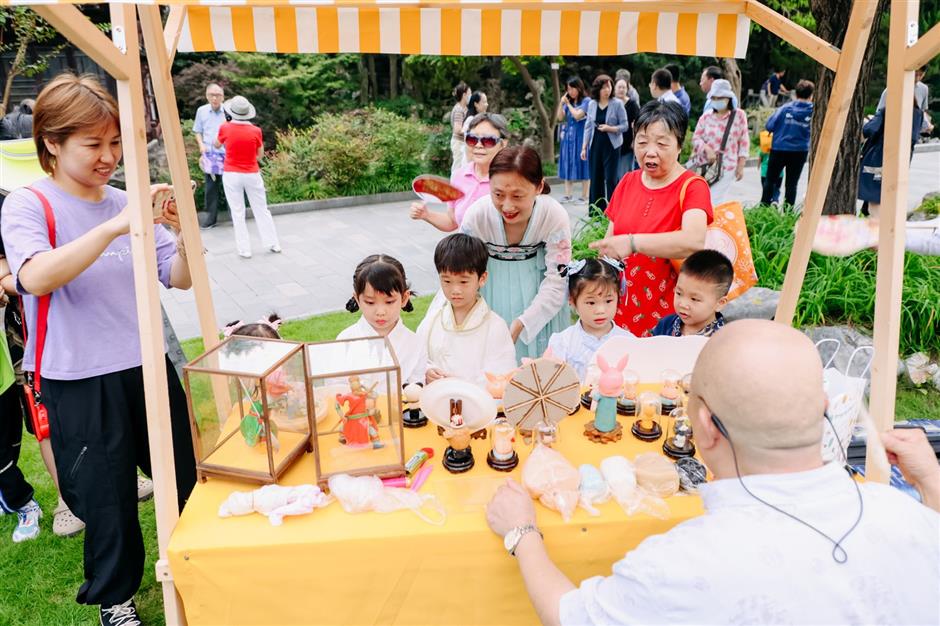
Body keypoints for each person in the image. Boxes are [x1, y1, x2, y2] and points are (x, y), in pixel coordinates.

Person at [485, 319, 940, 626]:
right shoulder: (910, 518)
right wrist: (932, 484)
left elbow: (571, 616)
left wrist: (523, 533)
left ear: (703, 426)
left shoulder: (680, 564)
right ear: (824, 408)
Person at [0, 73, 197, 625]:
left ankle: (199, 561)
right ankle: (116, 599)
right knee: (106, 498)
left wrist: (182, 236)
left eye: (115, 142)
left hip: (146, 365)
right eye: (93, 144)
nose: (109, 156)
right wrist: (115, 228)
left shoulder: (126, 202)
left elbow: (176, 277)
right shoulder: (28, 204)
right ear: (52, 144)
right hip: (77, 376)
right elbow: (35, 276)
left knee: (186, 473)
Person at [590, 101, 712, 336]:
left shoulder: (693, 186)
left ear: (679, 146)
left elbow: (694, 240)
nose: (650, 151)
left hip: (668, 315)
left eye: (662, 143)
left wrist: (633, 243)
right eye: (642, 142)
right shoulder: (628, 182)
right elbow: (610, 242)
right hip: (621, 311)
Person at [460, 146, 572, 360]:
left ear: (539, 187)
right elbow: (460, 271)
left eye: (517, 195)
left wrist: (524, 322)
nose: (507, 205)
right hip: (488, 294)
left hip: (539, 297)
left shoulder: (553, 215)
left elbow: (558, 279)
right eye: (498, 194)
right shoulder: (477, 216)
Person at [416, 234, 516, 388]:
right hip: (437, 405)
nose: (455, 290)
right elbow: (416, 358)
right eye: (447, 281)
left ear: (482, 278)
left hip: (479, 407)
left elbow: (501, 376)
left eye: (463, 281)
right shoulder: (432, 321)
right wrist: (427, 371)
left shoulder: (495, 327)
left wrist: (460, 383)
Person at [410, 113, 509, 232]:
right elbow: (453, 222)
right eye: (472, 139)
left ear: (503, 143)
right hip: (465, 249)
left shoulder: (511, 179)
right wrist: (426, 215)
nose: (478, 145)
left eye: (488, 141)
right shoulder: (459, 176)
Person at [337, 254, 426, 386]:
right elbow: (335, 389)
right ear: (357, 299)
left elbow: (417, 388)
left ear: (404, 297)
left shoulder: (415, 343)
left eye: (389, 302)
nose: (380, 312)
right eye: (370, 302)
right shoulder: (345, 340)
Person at [214, 95, 282, 259]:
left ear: (231, 113)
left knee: (238, 212)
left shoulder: (225, 128)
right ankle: (273, 243)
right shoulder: (256, 130)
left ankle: (245, 249)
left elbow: (216, 145)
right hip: (252, 173)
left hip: (231, 173)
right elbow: (259, 156)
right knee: (261, 209)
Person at [544, 258, 632, 381]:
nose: (600, 310)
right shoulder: (563, 342)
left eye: (608, 301)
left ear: (619, 295)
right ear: (572, 300)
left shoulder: (628, 341)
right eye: (591, 302)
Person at [858, 97, 925, 218]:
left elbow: (869, 129)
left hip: (879, 159)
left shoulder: (887, 111)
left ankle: (878, 229)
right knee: (890, 194)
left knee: (875, 197)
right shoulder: (918, 114)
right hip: (902, 160)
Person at [688, 79, 749, 205]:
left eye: (720, 97)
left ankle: (711, 223)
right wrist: (706, 148)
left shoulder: (739, 115)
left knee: (715, 200)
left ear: (728, 98)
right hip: (704, 165)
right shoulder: (706, 116)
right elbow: (696, 138)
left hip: (727, 166)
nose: (717, 100)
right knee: (700, 198)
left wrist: (741, 166)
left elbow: (744, 142)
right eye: (714, 98)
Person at [650, 249, 731, 337]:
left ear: (719, 303)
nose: (683, 304)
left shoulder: (722, 339)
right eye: (679, 293)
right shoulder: (666, 325)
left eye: (694, 299)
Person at [761, 80, 814, 207]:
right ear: (811, 95)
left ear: (796, 93)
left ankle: (763, 209)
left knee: (770, 181)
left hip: (779, 148)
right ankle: (788, 213)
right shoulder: (813, 111)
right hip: (800, 151)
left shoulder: (784, 108)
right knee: (792, 184)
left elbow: (769, 125)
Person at [581, 75, 628, 213]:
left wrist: (610, 128)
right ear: (598, 89)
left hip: (612, 146)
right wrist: (584, 147)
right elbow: (588, 126)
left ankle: (614, 211)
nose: (607, 90)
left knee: (611, 178)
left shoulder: (617, 104)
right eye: (603, 87)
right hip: (595, 145)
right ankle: (596, 211)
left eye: (609, 86)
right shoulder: (592, 104)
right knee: (596, 178)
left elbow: (625, 125)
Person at [192, 83, 226, 229]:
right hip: (209, 155)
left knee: (230, 185)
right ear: (206, 96)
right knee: (211, 187)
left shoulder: (229, 112)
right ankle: (211, 218)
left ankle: (238, 216)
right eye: (212, 95)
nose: (215, 98)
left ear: (223, 97)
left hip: (227, 154)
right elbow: (197, 131)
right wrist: (201, 145)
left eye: (218, 95)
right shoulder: (202, 111)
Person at [556, 77, 591, 205]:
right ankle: (568, 195)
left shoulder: (586, 101)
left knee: (584, 164)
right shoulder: (568, 102)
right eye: (568, 89)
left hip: (581, 137)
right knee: (567, 162)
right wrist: (561, 103)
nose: (570, 91)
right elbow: (560, 117)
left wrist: (568, 104)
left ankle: (585, 196)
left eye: (572, 88)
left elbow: (577, 115)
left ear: (579, 88)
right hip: (568, 138)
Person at [613, 78, 641, 179]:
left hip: (627, 144)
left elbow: (638, 124)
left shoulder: (632, 105)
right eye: (619, 87)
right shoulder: (611, 103)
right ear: (614, 88)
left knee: (625, 174)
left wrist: (635, 140)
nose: (621, 89)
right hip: (612, 145)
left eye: (624, 87)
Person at [450, 82, 471, 175]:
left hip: (462, 143)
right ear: (464, 95)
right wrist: (469, 129)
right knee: (457, 168)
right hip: (458, 143)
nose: (471, 96)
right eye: (470, 94)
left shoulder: (464, 108)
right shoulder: (459, 109)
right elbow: (457, 130)